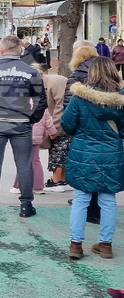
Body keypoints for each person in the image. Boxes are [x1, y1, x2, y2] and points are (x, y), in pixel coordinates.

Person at [0, 35, 47, 217]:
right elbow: (41, 100)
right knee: (24, 164)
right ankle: (26, 205)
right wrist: (32, 118)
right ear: (20, 50)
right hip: (21, 122)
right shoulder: (31, 72)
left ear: (1, 50)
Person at [60, 57, 124, 260]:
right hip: (112, 154)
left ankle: (75, 245)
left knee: (81, 199)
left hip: (83, 153)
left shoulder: (80, 98)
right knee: (108, 200)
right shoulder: (121, 98)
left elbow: (67, 125)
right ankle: (105, 245)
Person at [64, 41, 103, 222]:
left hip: (83, 132)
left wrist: (70, 129)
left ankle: (87, 209)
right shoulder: (107, 74)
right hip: (108, 133)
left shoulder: (76, 76)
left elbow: (69, 109)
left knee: (83, 172)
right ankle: (97, 209)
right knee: (102, 172)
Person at [10, 108, 57, 197]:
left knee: (23, 162)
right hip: (36, 138)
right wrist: (53, 132)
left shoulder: (20, 102)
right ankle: (38, 187)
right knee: (35, 161)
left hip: (22, 136)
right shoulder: (42, 105)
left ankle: (19, 186)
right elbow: (48, 122)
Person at [41, 63, 70, 193]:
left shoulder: (55, 82)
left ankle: (57, 180)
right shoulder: (45, 83)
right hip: (62, 120)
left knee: (58, 150)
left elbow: (60, 106)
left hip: (63, 121)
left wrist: (55, 128)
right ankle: (63, 179)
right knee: (63, 150)